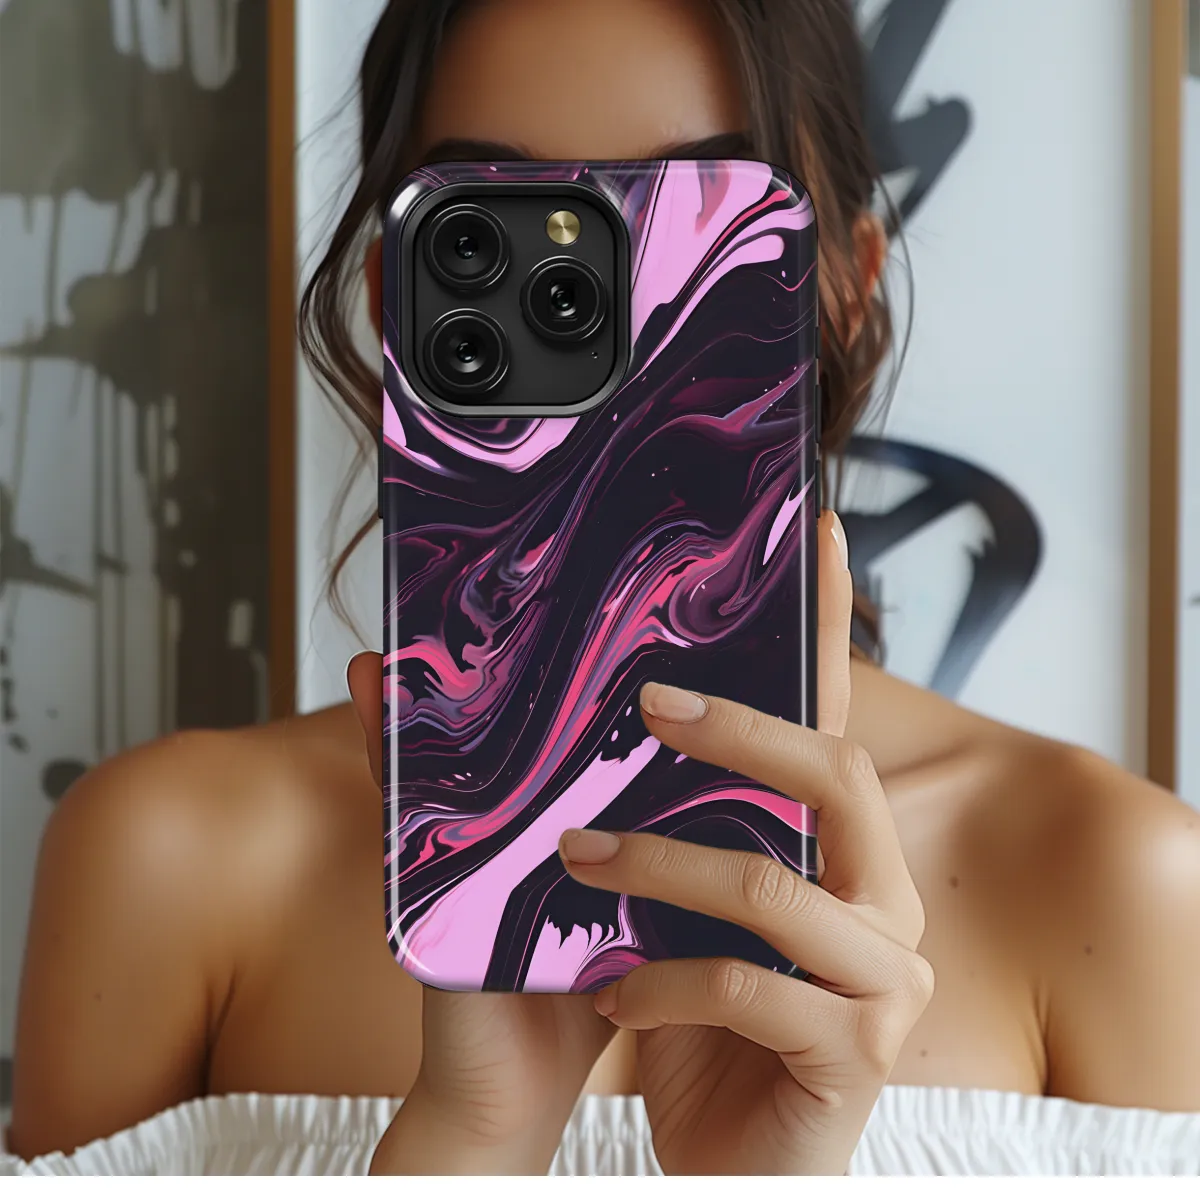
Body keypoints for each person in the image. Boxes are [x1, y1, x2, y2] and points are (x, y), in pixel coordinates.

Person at [6, 0, 1200, 1177]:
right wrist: (476, 1140)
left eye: (698, 216)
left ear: (845, 286)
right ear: (394, 300)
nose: (609, 313)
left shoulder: (1116, 883)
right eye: (495, 231)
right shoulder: (170, 863)